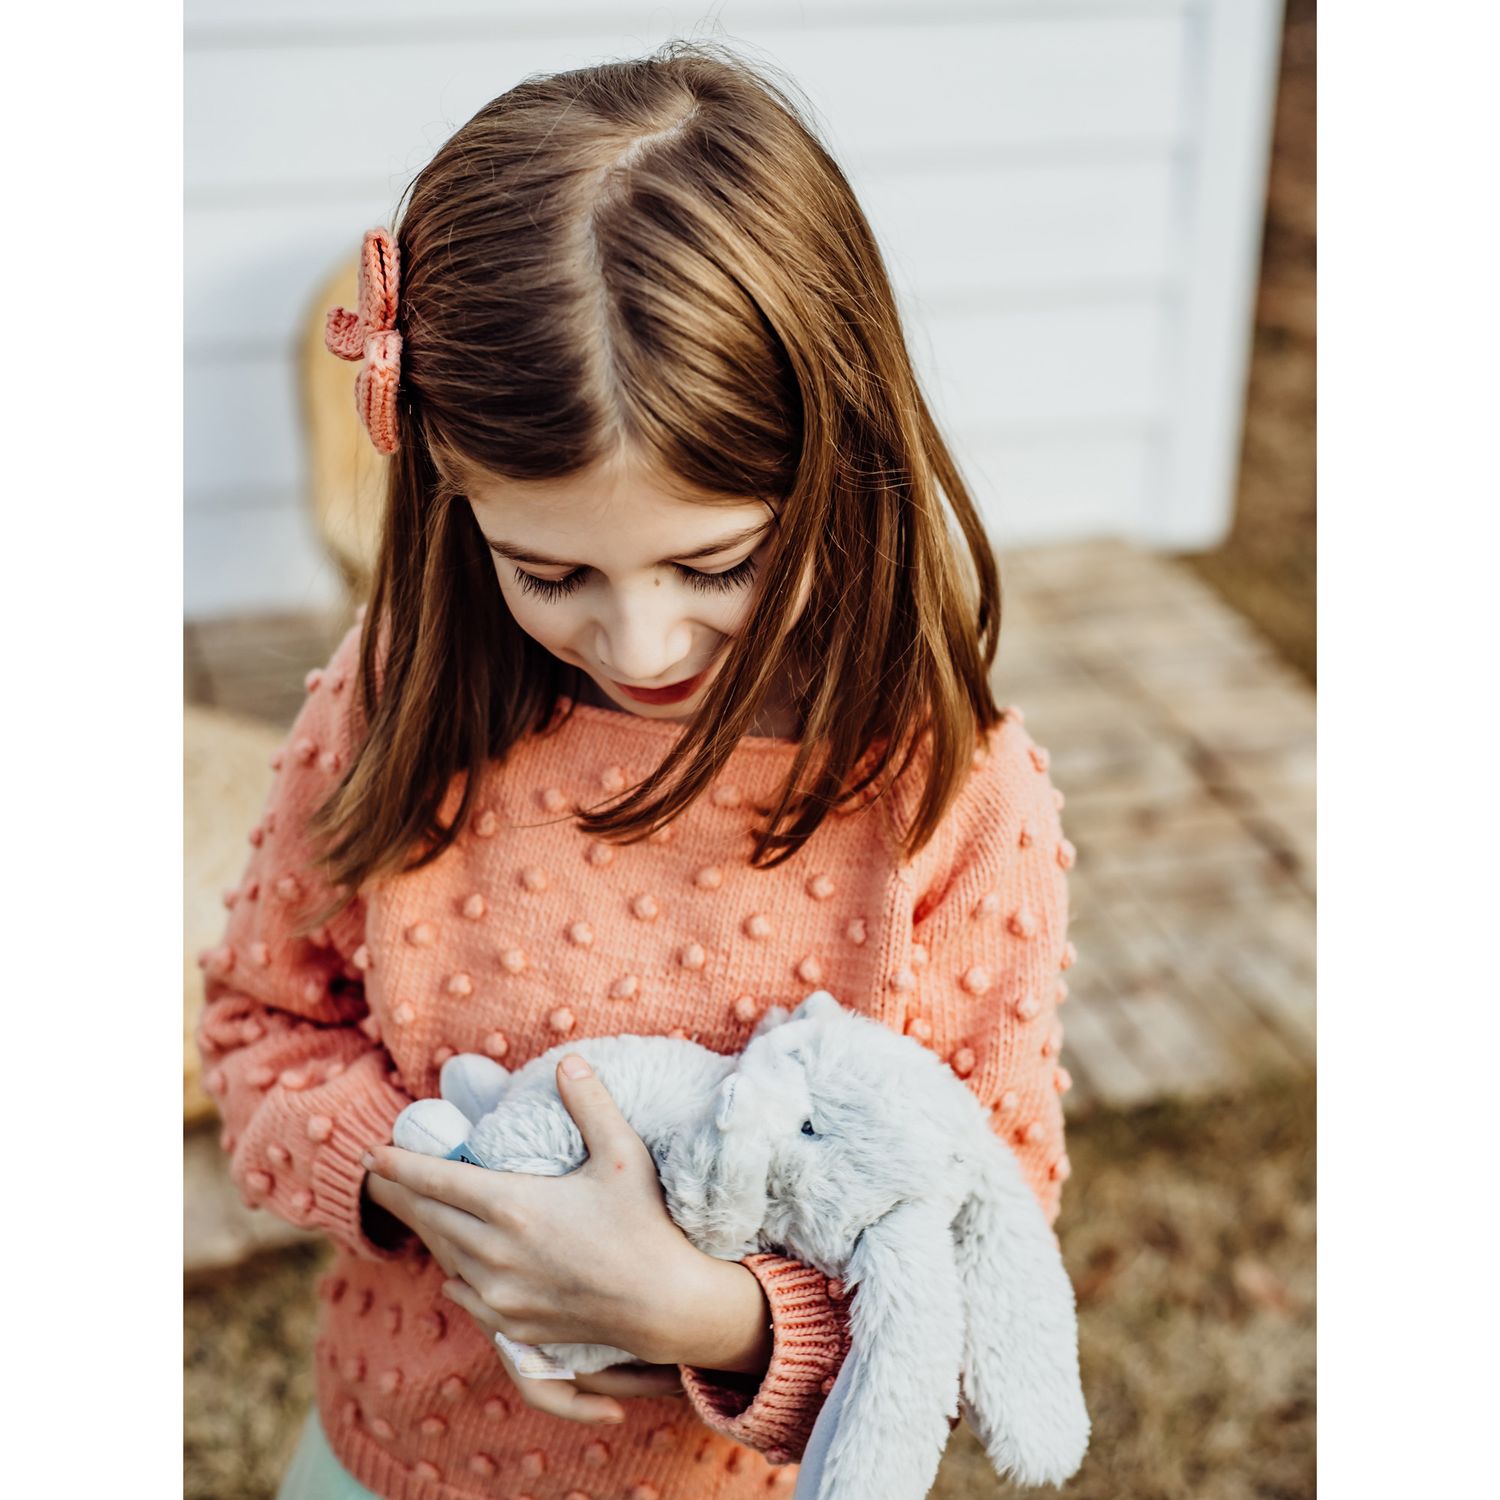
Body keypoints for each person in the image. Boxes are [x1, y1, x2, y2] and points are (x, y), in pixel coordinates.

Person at [197, 41, 1079, 1500]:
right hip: (389, 1462)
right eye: (549, 571)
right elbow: (257, 1023)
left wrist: (698, 1317)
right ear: (448, 494)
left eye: (714, 561)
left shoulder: (947, 796)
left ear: (835, 456)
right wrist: (437, 1195)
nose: (640, 637)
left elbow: (985, 1222)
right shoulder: (400, 686)